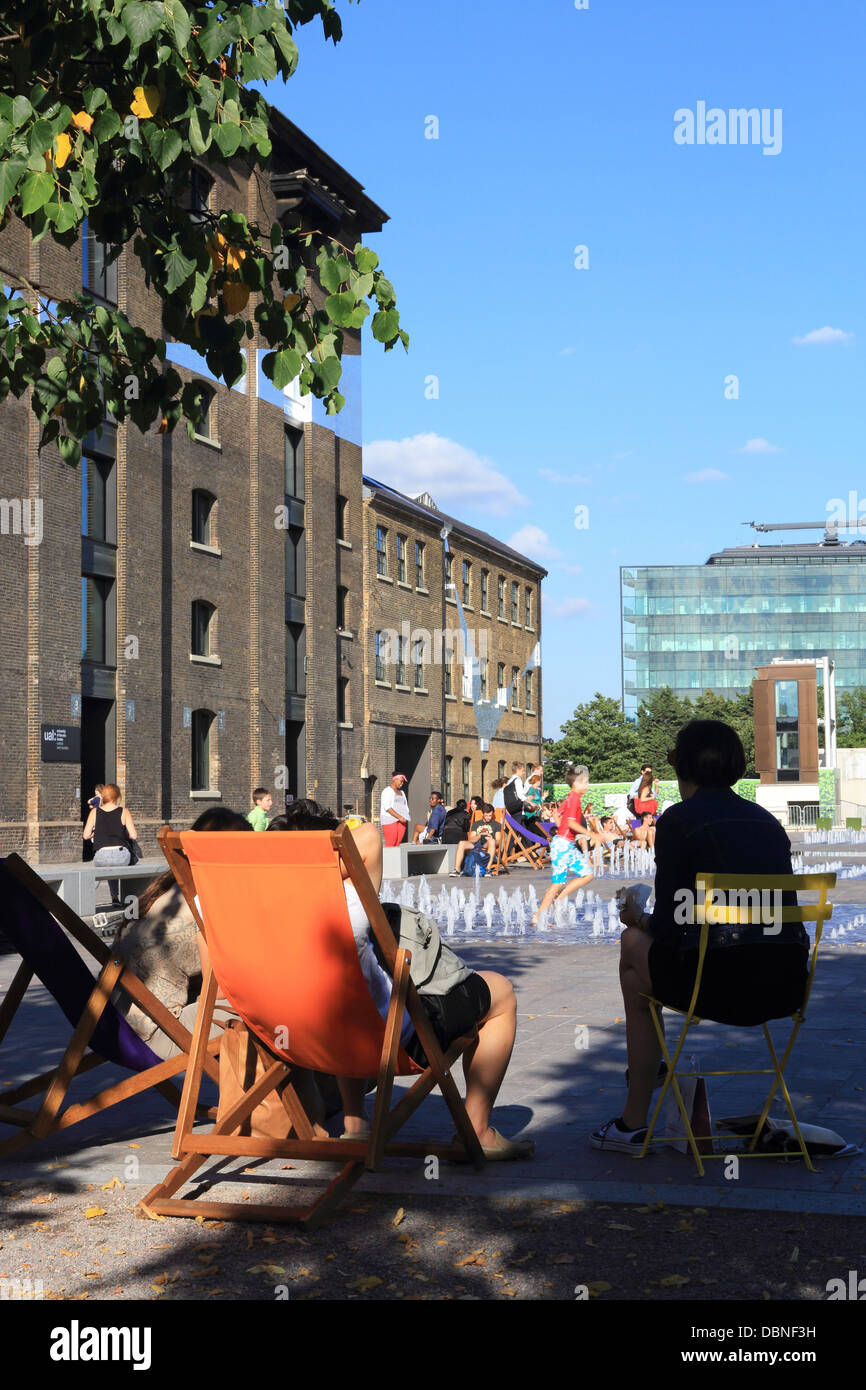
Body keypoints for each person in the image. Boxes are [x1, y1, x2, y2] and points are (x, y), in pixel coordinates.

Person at [591, 719, 810, 1157]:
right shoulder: (767, 822)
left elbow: (672, 927)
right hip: (786, 986)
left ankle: (635, 1117)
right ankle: (646, 1079)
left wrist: (639, 918)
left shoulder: (678, 820)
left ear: (682, 768)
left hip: (716, 987)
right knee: (642, 958)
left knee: (632, 949)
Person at [273, 799, 533, 1160]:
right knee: (500, 991)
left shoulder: (264, 899)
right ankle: (477, 1132)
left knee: (339, 996)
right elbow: (367, 833)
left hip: (298, 1036)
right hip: (386, 1041)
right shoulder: (348, 888)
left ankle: (355, 1124)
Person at [112, 808, 252, 1060]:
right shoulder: (208, 901)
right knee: (268, 1008)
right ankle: (264, 1097)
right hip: (158, 1035)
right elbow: (219, 991)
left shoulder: (166, 890)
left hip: (115, 1025)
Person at [532, 766, 594, 925]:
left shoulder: (570, 798)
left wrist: (562, 830)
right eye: (585, 782)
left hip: (567, 844)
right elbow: (572, 823)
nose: (587, 785)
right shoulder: (573, 798)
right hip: (563, 846)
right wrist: (592, 834)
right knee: (558, 882)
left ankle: (559, 899)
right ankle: (538, 917)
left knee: (587, 874)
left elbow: (556, 814)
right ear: (577, 783)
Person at [83, 783, 138, 907]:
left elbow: (86, 835)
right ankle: (118, 897)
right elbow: (134, 835)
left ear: (103, 796)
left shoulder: (94, 812)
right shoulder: (124, 811)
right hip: (121, 856)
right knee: (114, 861)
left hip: (101, 856)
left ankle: (88, 898)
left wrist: (95, 834)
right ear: (117, 796)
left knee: (106, 865)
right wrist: (122, 832)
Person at [449, 802, 501, 875]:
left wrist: (491, 839)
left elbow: (498, 841)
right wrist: (480, 835)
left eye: (490, 815)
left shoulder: (497, 825)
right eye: (486, 815)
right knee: (461, 843)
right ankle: (457, 869)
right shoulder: (476, 824)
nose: (488, 817)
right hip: (477, 843)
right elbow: (471, 839)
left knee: (492, 841)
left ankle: (487, 870)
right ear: (483, 814)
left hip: (487, 844)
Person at [380, 772, 410, 847]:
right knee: (391, 842)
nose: (402, 783)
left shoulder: (402, 792)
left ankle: (395, 858)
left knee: (397, 843)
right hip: (389, 819)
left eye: (403, 782)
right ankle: (388, 858)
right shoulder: (387, 791)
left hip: (401, 821)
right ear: (395, 779)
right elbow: (387, 807)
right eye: (401, 781)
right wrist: (399, 817)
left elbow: (405, 806)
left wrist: (405, 817)